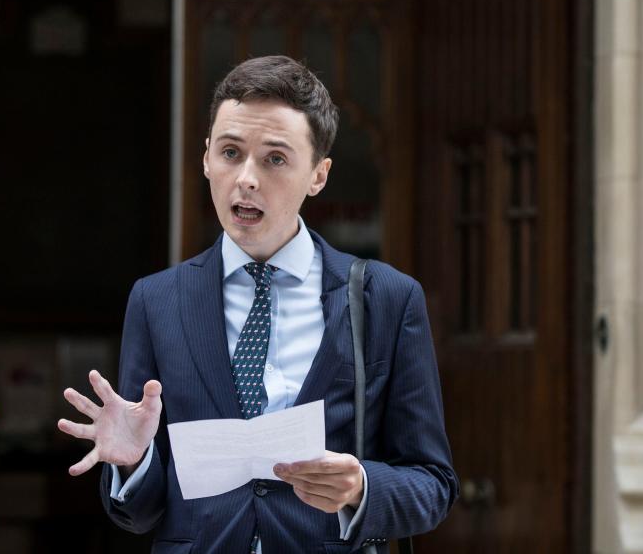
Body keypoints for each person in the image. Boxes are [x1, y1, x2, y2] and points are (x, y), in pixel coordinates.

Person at [58, 55, 458, 553]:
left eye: (275, 158)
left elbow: (434, 485)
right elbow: (142, 515)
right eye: (230, 152)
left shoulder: (388, 300)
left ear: (318, 175)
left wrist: (362, 486)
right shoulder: (156, 300)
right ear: (206, 158)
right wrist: (134, 462)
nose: (246, 178)